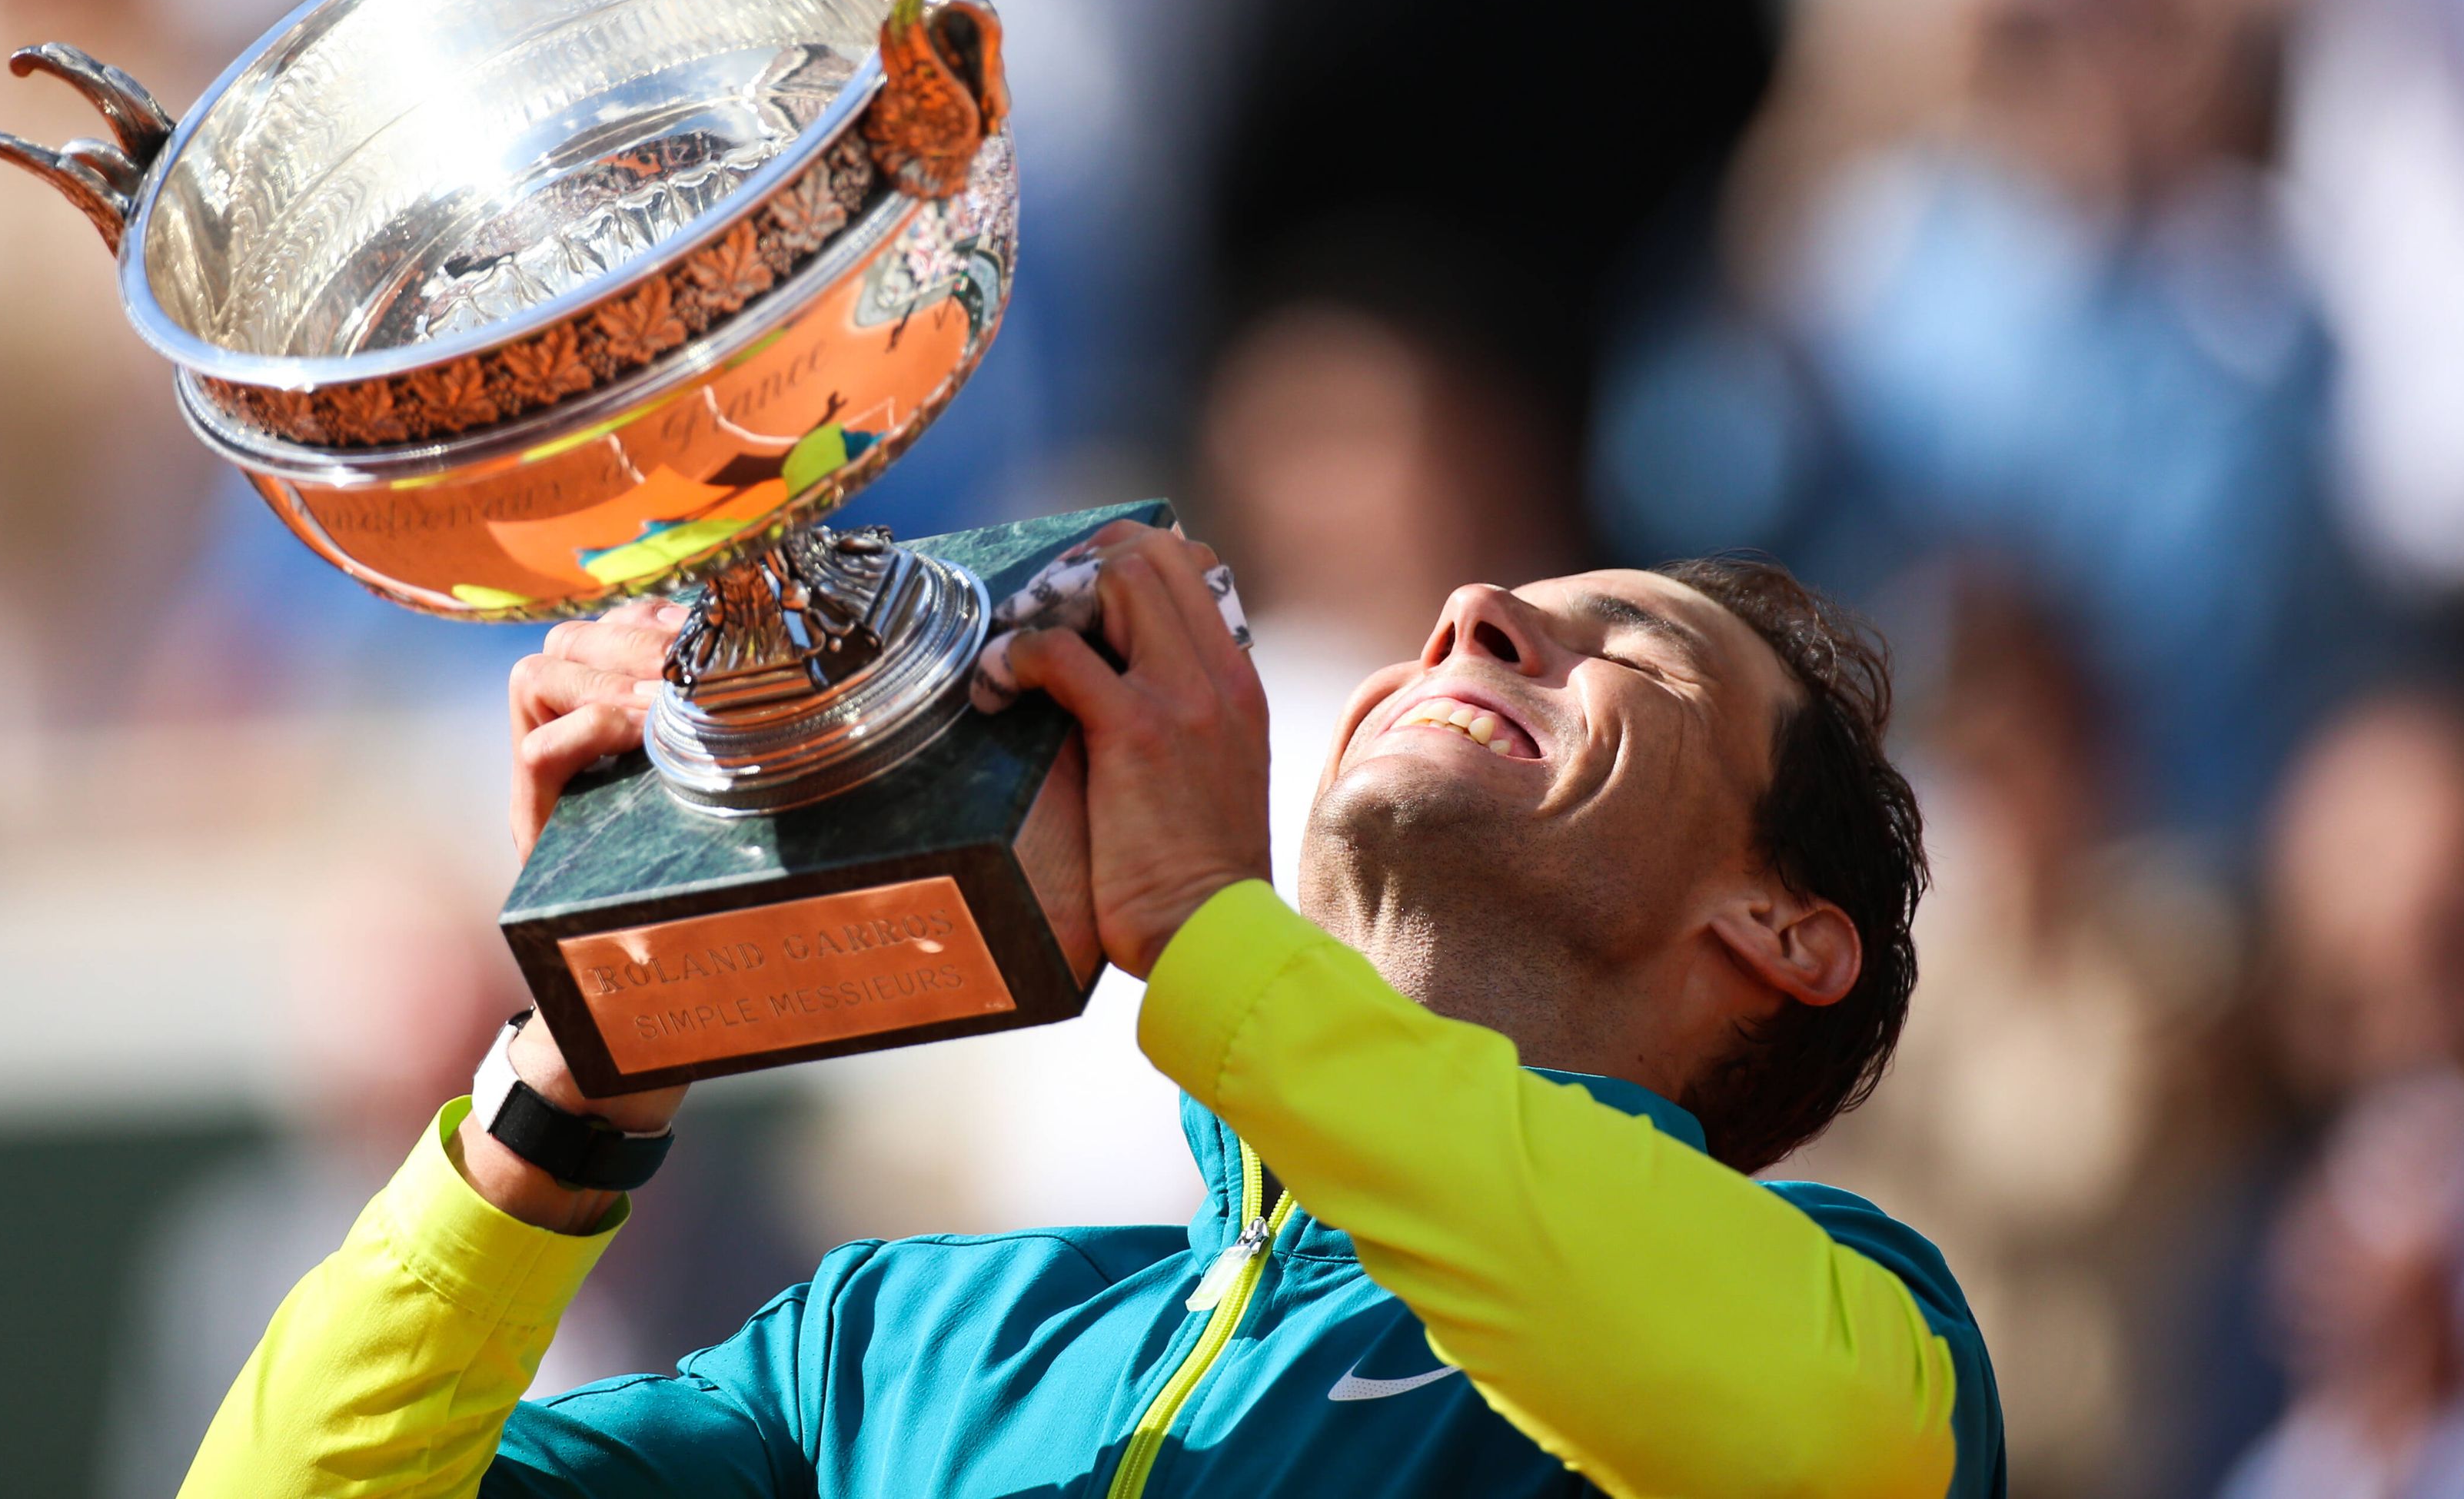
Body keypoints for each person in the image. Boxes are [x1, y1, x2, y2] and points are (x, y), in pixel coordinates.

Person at [180, 523, 2006, 1497]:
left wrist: (1210, 936)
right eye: (1492, 606)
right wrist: (589, 1051)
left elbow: (1788, 1445)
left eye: (1640, 653)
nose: (1473, 614)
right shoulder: (879, 1347)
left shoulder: (1865, 1326)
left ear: (1786, 930)